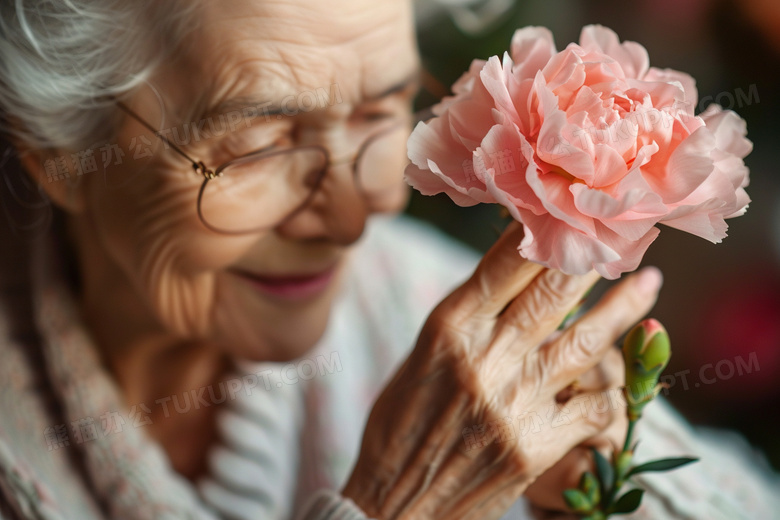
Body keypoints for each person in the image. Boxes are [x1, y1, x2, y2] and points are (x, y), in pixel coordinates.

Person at [0, 1, 777, 519]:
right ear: (58, 146)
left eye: (382, 110)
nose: (354, 215)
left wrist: (608, 474)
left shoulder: (410, 291)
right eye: (258, 140)